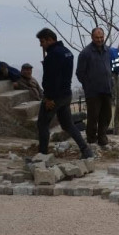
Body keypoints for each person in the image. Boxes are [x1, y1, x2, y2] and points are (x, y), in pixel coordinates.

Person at [35, 28, 94, 159]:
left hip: (54, 97)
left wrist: (48, 98)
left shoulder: (52, 56)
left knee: (42, 124)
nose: (41, 45)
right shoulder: (67, 52)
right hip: (66, 94)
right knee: (68, 124)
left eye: (42, 41)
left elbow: (52, 79)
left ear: (50, 39)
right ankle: (85, 150)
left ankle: (42, 155)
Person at [76, 27, 119, 146]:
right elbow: (80, 73)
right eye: (97, 37)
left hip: (106, 89)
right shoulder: (85, 53)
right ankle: (91, 140)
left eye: (101, 37)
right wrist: (88, 85)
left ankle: (102, 138)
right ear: (92, 37)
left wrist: (110, 82)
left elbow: (111, 68)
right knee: (93, 117)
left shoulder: (107, 51)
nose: (99, 39)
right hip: (93, 92)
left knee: (106, 116)